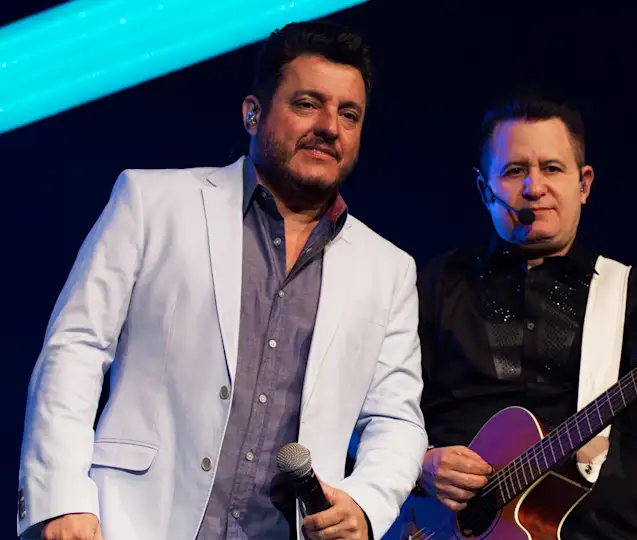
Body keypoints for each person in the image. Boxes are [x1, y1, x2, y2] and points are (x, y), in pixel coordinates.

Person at [17, 22, 427, 540]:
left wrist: (365, 503)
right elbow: (75, 349)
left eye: (350, 114)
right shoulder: (152, 202)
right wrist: (61, 500)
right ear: (253, 113)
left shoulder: (388, 268)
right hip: (132, 522)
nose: (329, 127)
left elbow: (396, 419)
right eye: (307, 104)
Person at [413, 90, 637, 540]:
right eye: (514, 171)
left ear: (584, 184)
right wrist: (419, 464)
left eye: (552, 169)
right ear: (484, 189)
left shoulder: (633, 291)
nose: (533, 188)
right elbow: (373, 411)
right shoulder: (433, 285)